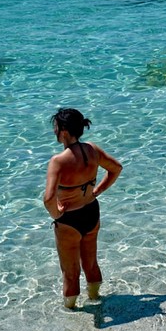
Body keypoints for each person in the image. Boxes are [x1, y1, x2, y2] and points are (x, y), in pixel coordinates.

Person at [44, 108, 122, 310]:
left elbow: (49, 198)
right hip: (91, 211)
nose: (54, 131)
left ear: (64, 131)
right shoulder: (92, 150)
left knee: (70, 272)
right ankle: (96, 299)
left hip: (69, 220)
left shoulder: (58, 161)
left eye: (56, 127)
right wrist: (96, 191)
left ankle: (70, 312)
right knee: (91, 264)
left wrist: (57, 215)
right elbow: (116, 169)